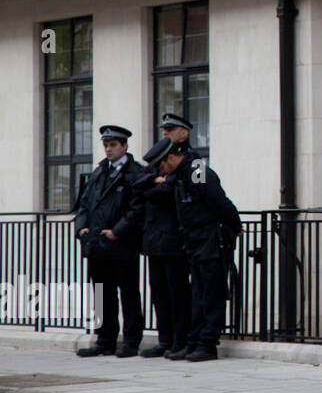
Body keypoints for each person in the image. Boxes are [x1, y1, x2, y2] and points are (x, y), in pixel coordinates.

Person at [156, 141, 241, 362]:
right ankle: (194, 342)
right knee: (198, 296)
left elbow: (218, 202)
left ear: (172, 158)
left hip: (211, 241)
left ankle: (207, 345)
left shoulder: (197, 172)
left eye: (161, 166)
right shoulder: (182, 175)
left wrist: (235, 224)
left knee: (212, 294)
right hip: (194, 242)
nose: (160, 172)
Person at [75, 126, 150, 358]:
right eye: (106, 145)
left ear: (124, 146)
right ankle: (104, 339)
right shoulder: (99, 172)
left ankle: (130, 341)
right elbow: (84, 204)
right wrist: (81, 228)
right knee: (101, 293)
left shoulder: (135, 173)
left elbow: (137, 209)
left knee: (128, 293)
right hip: (97, 244)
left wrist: (117, 231)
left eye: (113, 145)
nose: (108, 149)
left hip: (122, 244)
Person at [133, 138, 191, 359]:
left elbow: (172, 189)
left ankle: (181, 340)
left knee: (178, 294)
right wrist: (154, 181)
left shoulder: (192, 162)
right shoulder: (156, 167)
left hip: (174, 242)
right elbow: (136, 185)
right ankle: (165, 339)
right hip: (153, 242)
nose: (165, 132)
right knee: (159, 294)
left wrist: (155, 185)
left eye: (169, 130)